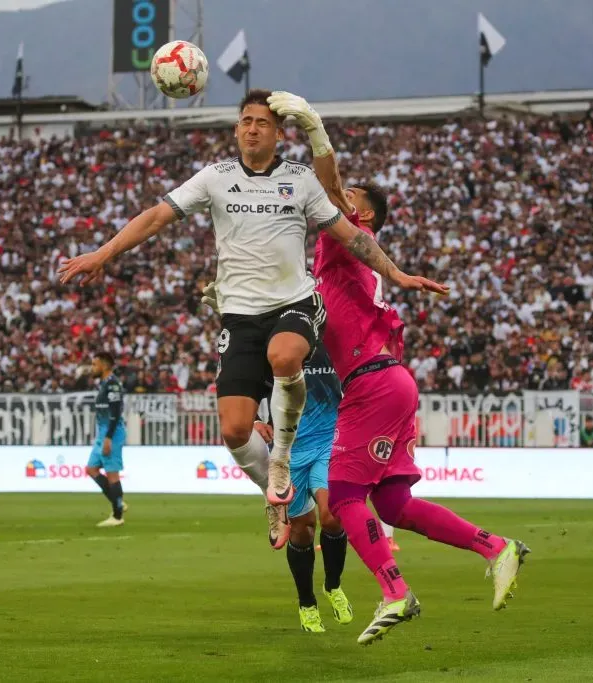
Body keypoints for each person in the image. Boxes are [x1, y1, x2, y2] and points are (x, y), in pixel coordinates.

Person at [58, 89, 439, 516]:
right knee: (236, 429)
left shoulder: (300, 179)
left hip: (294, 302)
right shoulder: (214, 177)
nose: (252, 129)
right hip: (239, 315)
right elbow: (156, 217)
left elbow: (351, 236)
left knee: (285, 355)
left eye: (262, 123)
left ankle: (281, 457)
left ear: (279, 134)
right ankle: (281, 503)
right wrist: (103, 253)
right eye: (246, 121)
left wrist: (396, 274)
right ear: (236, 129)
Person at [267, 91, 528, 645]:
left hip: (372, 383)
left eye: (349, 198)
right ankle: (496, 547)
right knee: (393, 504)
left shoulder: (344, 244)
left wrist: (314, 129)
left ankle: (394, 592)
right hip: (390, 381)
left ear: (359, 214)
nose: (337, 199)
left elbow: (329, 188)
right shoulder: (348, 255)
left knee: (343, 495)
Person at [202, 284, 352, 631]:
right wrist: (256, 419)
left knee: (332, 516)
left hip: (329, 441)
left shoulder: (331, 340)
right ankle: (306, 602)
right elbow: (248, 376)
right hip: (290, 448)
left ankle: (333, 586)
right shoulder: (277, 342)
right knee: (302, 528)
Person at [85, 352, 128, 528]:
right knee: (91, 469)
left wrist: (109, 438)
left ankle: (117, 516)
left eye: (94, 364)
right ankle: (118, 501)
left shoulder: (113, 385)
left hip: (112, 433)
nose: (92, 368)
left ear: (104, 366)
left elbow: (116, 413)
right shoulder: (104, 384)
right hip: (102, 433)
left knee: (112, 474)